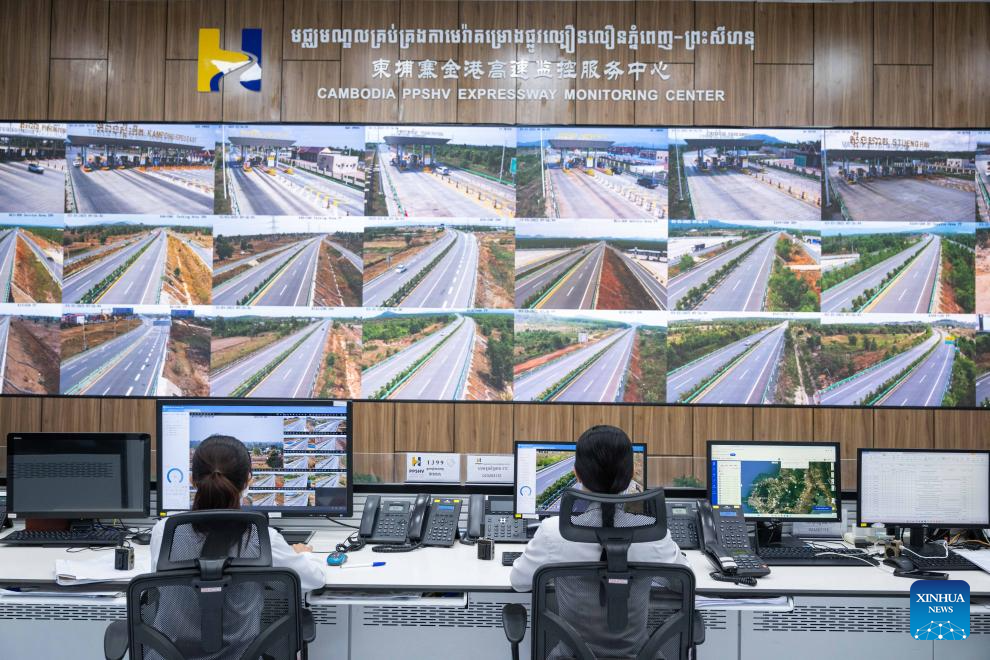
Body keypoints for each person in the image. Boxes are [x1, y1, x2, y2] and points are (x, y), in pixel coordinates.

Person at [510, 425, 689, 591]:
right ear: (631, 474)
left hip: (571, 617)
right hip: (635, 618)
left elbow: (519, 583)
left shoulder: (552, 532)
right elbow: (684, 583)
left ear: (577, 474)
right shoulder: (653, 533)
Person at [149, 434, 326, 592]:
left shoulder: (164, 532)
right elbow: (315, 579)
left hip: (170, 622)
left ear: (192, 480)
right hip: (244, 623)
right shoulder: (262, 538)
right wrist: (304, 554)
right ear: (247, 481)